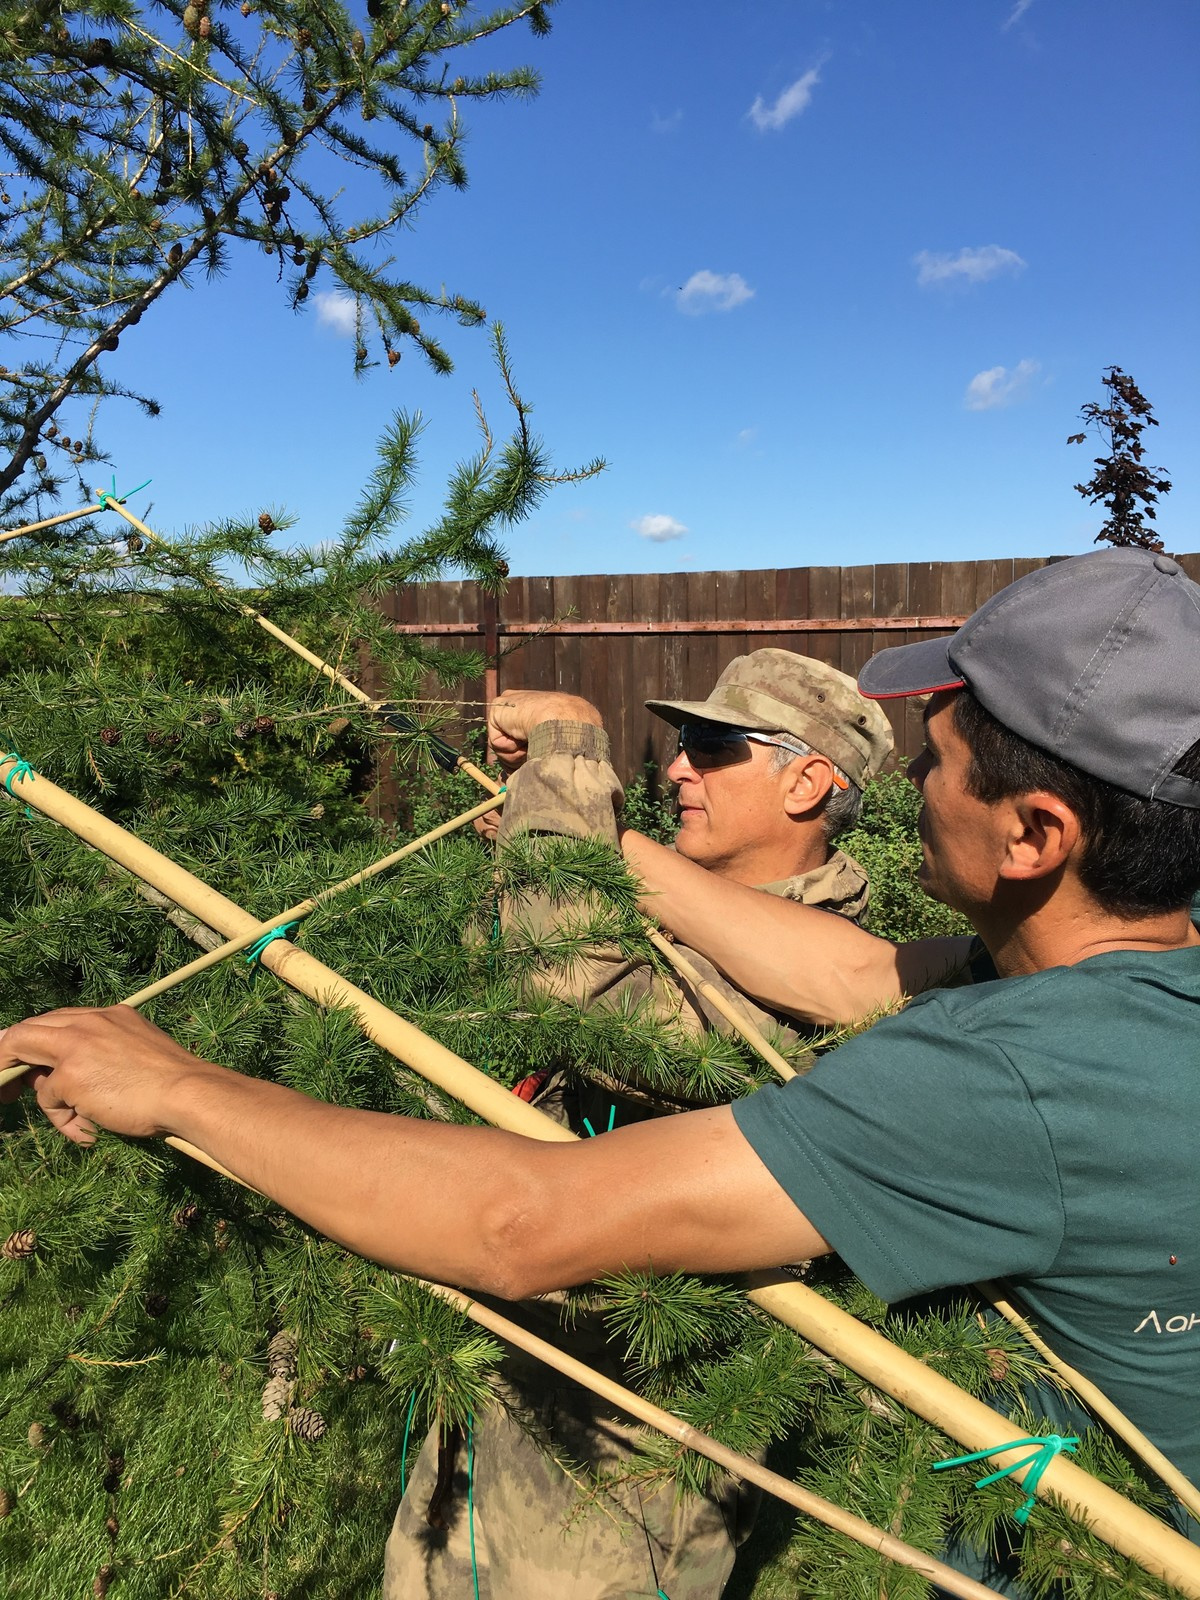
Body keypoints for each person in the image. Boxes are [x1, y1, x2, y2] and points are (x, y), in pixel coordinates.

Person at [4, 549, 1199, 1593]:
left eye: (940, 765)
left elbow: (526, 1216)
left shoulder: (992, 1078)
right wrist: (580, 807)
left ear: (1036, 833)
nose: (922, 791)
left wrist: (178, 1085)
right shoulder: (1104, 987)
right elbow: (849, 974)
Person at [383, 651, 895, 1599]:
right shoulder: (662, 894)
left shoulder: (834, 983)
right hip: (504, 1377)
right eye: (678, 744)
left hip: (627, 1455)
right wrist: (551, 835)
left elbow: (577, 990)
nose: (675, 769)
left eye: (712, 745)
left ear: (810, 781)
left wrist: (572, 749)